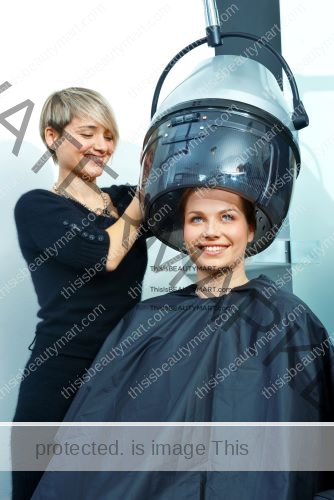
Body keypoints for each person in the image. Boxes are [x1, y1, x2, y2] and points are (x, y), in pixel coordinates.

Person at [31, 187, 334, 499]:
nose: (211, 232)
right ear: (184, 230)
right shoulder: (147, 320)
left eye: (227, 217)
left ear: (251, 228)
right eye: (197, 218)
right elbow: (91, 442)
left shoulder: (289, 319)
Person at [11, 87, 153, 499]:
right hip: (61, 373)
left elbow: (192, 219)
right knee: (39, 490)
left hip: (125, 369)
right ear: (53, 138)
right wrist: (142, 206)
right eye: (88, 132)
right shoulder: (38, 207)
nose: (102, 146)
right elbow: (103, 254)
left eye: (108, 136)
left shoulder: (126, 199)